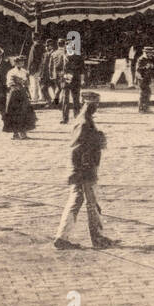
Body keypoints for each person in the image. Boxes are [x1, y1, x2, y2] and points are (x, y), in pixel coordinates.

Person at [53, 93, 119, 250]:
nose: (97, 108)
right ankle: (97, 238)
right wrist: (82, 171)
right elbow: (78, 149)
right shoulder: (83, 123)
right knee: (91, 204)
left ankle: (62, 237)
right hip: (84, 170)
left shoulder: (85, 120)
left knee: (78, 203)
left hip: (83, 169)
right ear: (90, 106)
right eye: (95, 105)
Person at [3, 55, 37, 140]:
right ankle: (15, 133)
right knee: (14, 113)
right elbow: (9, 83)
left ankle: (23, 132)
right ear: (15, 63)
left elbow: (27, 83)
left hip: (22, 94)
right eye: (18, 62)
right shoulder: (11, 72)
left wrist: (25, 84)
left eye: (22, 62)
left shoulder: (24, 71)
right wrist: (17, 83)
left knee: (24, 113)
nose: (21, 63)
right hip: (14, 94)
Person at [59, 45, 86, 124]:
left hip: (74, 80)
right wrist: (63, 75)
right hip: (67, 80)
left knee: (73, 100)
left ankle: (74, 117)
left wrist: (82, 80)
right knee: (67, 100)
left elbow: (82, 70)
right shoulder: (64, 57)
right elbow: (59, 69)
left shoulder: (78, 57)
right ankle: (68, 118)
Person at [135, 46, 154, 113]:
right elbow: (138, 69)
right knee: (144, 93)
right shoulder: (141, 59)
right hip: (141, 78)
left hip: (146, 78)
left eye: (151, 53)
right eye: (150, 53)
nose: (151, 54)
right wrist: (146, 67)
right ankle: (142, 108)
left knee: (147, 93)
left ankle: (144, 107)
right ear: (146, 53)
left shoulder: (149, 59)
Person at [44, 37, 66, 108]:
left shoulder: (54, 53)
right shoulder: (65, 53)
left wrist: (51, 74)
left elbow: (50, 65)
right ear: (64, 45)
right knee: (64, 88)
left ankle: (56, 103)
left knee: (58, 88)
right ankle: (61, 102)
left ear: (58, 44)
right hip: (63, 73)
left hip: (55, 74)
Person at [26, 33, 48, 104]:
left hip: (34, 67)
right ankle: (42, 97)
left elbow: (32, 59)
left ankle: (35, 97)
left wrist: (29, 68)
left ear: (33, 38)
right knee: (39, 82)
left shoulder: (34, 46)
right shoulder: (42, 46)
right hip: (40, 66)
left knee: (34, 82)